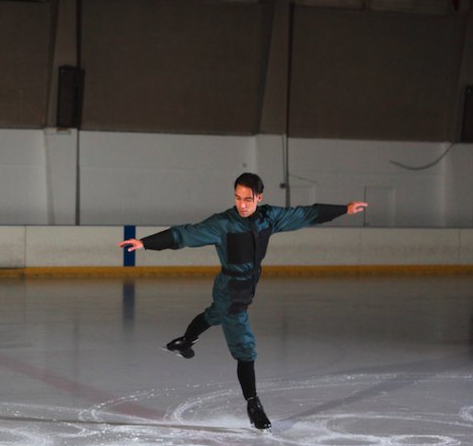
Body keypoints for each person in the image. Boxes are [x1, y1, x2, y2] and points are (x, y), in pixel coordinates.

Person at [118, 173, 367, 430]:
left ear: (259, 197)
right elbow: (185, 235)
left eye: (248, 199)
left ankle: (185, 342)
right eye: (238, 198)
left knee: (214, 314)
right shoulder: (223, 223)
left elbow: (305, 214)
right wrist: (145, 243)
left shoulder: (268, 217)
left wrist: (345, 209)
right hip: (232, 291)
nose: (242, 205)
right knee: (245, 348)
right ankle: (253, 404)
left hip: (246, 287)